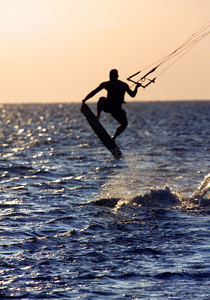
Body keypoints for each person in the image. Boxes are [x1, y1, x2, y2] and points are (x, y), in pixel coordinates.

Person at [81, 69, 141, 140]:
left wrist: (85, 99)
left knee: (101, 99)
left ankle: (98, 116)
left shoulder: (107, 84)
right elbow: (133, 95)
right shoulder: (124, 85)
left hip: (108, 107)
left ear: (110, 76)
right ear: (117, 76)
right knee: (124, 124)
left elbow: (94, 92)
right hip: (117, 110)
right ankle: (114, 137)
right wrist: (136, 88)